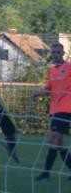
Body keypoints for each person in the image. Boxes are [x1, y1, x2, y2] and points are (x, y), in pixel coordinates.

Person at [34, 42, 71, 181]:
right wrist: (37, 93)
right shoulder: (51, 71)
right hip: (54, 109)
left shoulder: (69, 67)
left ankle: (46, 173)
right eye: (53, 52)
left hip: (66, 109)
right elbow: (48, 89)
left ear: (63, 54)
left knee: (54, 139)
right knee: (59, 144)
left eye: (58, 52)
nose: (55, 55)